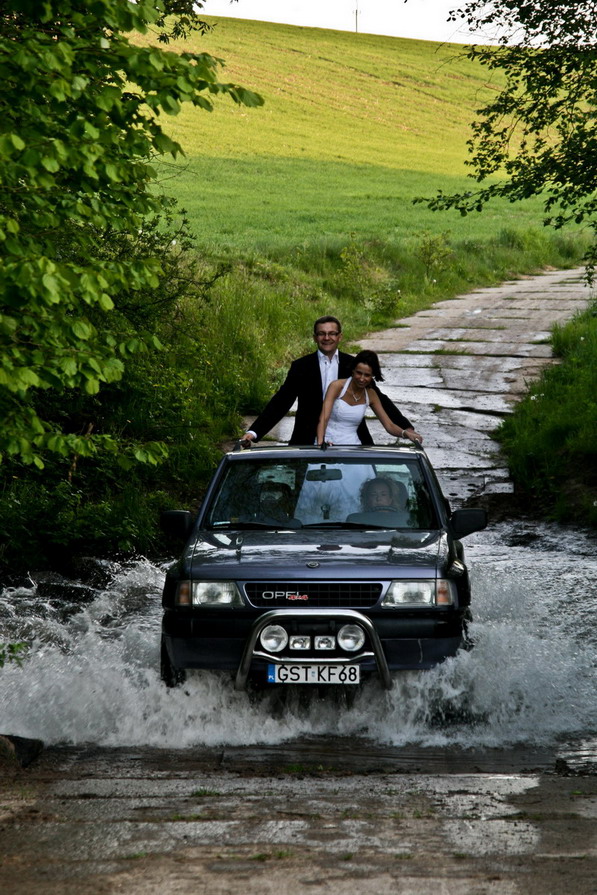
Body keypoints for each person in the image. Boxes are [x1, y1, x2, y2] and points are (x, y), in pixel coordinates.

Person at [241, 316, 419, 447]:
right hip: (307, 438)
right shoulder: (301, 366)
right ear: (315, 337)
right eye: (322, 334)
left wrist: (406, 428)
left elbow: (379, 399)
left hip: (351, 439)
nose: (327, 338)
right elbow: (281, 401)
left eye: (332, 333)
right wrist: (254, 432)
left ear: (340, 337)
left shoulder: (354, 365)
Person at [317, 350, 423, 446]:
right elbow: (324, 418)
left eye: (367, 375)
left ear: (372, 376)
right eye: (359, 373)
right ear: (353, 370)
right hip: (328, 442)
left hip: (352, 445)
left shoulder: (371, 394)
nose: (362, 379)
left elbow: (389, 425)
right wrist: (321, 443)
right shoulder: (337, 386)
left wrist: (405, 433)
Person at [346, 475, 411, 527]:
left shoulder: (406, 521)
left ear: (390, 499)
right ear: (367, 499)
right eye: (373, 495)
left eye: (383, 494)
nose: (378, 498)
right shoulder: (357, 520)